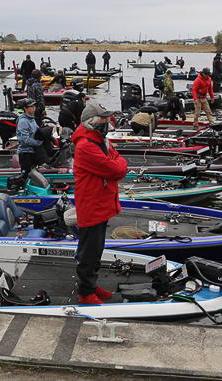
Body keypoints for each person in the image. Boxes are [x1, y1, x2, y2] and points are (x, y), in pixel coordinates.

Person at [71, 102, 128, 304]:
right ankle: (86, 292)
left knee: (97, 249)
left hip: (101, 204)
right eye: (103, 119)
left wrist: (117, 163)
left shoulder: (100, 141)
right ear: (92, 122)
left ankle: (92, 286)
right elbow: (116, 169)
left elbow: (118, 160)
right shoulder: (86, 146)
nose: (107, 122)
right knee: (89, 252)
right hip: (92, 205)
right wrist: (118, 164)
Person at [16, 99, 46, 173]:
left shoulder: (32, 119)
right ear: (25, 108)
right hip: (25, 153)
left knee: (34, 174)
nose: (34, 108)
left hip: (33, 152)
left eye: (34, 106)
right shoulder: (23, 121)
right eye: (31, 106)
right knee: (26, 175)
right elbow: (25, 139)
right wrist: (38, 143)